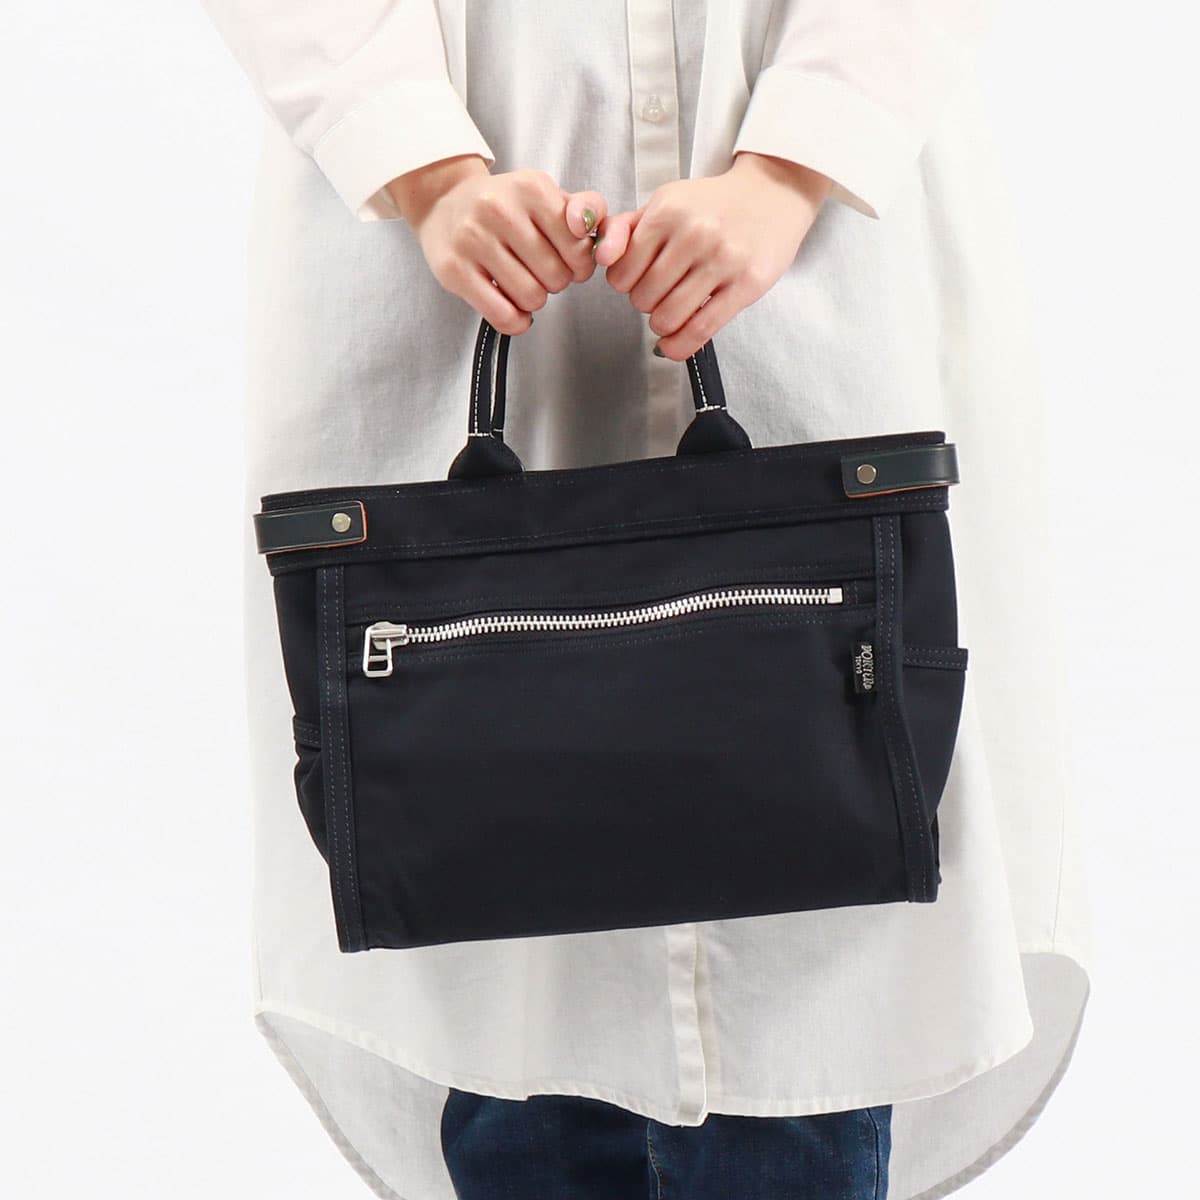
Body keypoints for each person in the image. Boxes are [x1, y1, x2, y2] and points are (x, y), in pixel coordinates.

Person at [203, 2, 1093, 1197]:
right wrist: (422, 162)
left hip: (814, 232)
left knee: (815, 952)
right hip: (452, 212)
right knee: (510, 967)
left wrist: (791, 165)